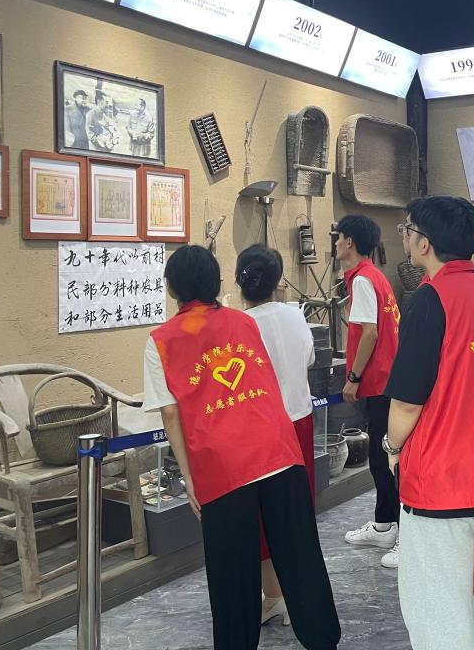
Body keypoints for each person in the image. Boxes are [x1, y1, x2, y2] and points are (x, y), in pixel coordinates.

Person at [142, 245, 340, 650]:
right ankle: (324, 640)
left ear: (172, 288)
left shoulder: (160, 341)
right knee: (300, 556)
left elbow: (171, 416)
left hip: (223, 469)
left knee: (232, 574)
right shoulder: (243, 322)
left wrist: (189, 478)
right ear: (216, 283)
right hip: (278, 452)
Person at [384, 196, 474, 649]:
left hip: (439, 476)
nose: (405, 237)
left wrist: (392, 448)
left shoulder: (431, 300)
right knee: (457, 600)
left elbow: (406, 403)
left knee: (434, 609)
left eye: (407, 229)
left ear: (424, 243)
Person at [235, 245, 317, 627]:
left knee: (262, 518)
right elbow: (309, 359)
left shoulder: (240, 324)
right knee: (296, 512)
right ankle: (298, 595)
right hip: (300, 421)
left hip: (262, 429)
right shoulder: (294, 315)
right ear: (277, 281)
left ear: (240, 283)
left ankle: (273, 596)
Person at [336, 215, 401, 567]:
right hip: (388, 381)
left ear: (349, 242)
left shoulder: (363, 279)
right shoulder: (375, 276)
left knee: (386, 458)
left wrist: (354, 376)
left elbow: (371, 333)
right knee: (381, 457)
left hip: (379, 383)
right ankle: (384, 524)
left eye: (338, 238)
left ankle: (397, 530)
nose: (335, 243)